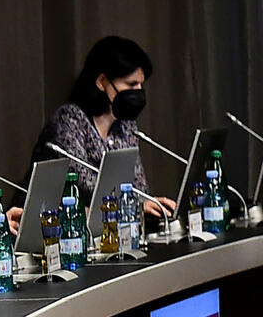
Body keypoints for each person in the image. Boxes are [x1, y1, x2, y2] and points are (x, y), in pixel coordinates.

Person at [30, 36, 176, 217]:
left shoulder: (126, 124)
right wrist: (136, 207)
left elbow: (139, 186)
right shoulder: (69, 121)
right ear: (102, 81)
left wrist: (150, 204)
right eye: (131, 84)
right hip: (54, 223)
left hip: (109, 224)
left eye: (141, 84)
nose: (139, 91)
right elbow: (89, 186)